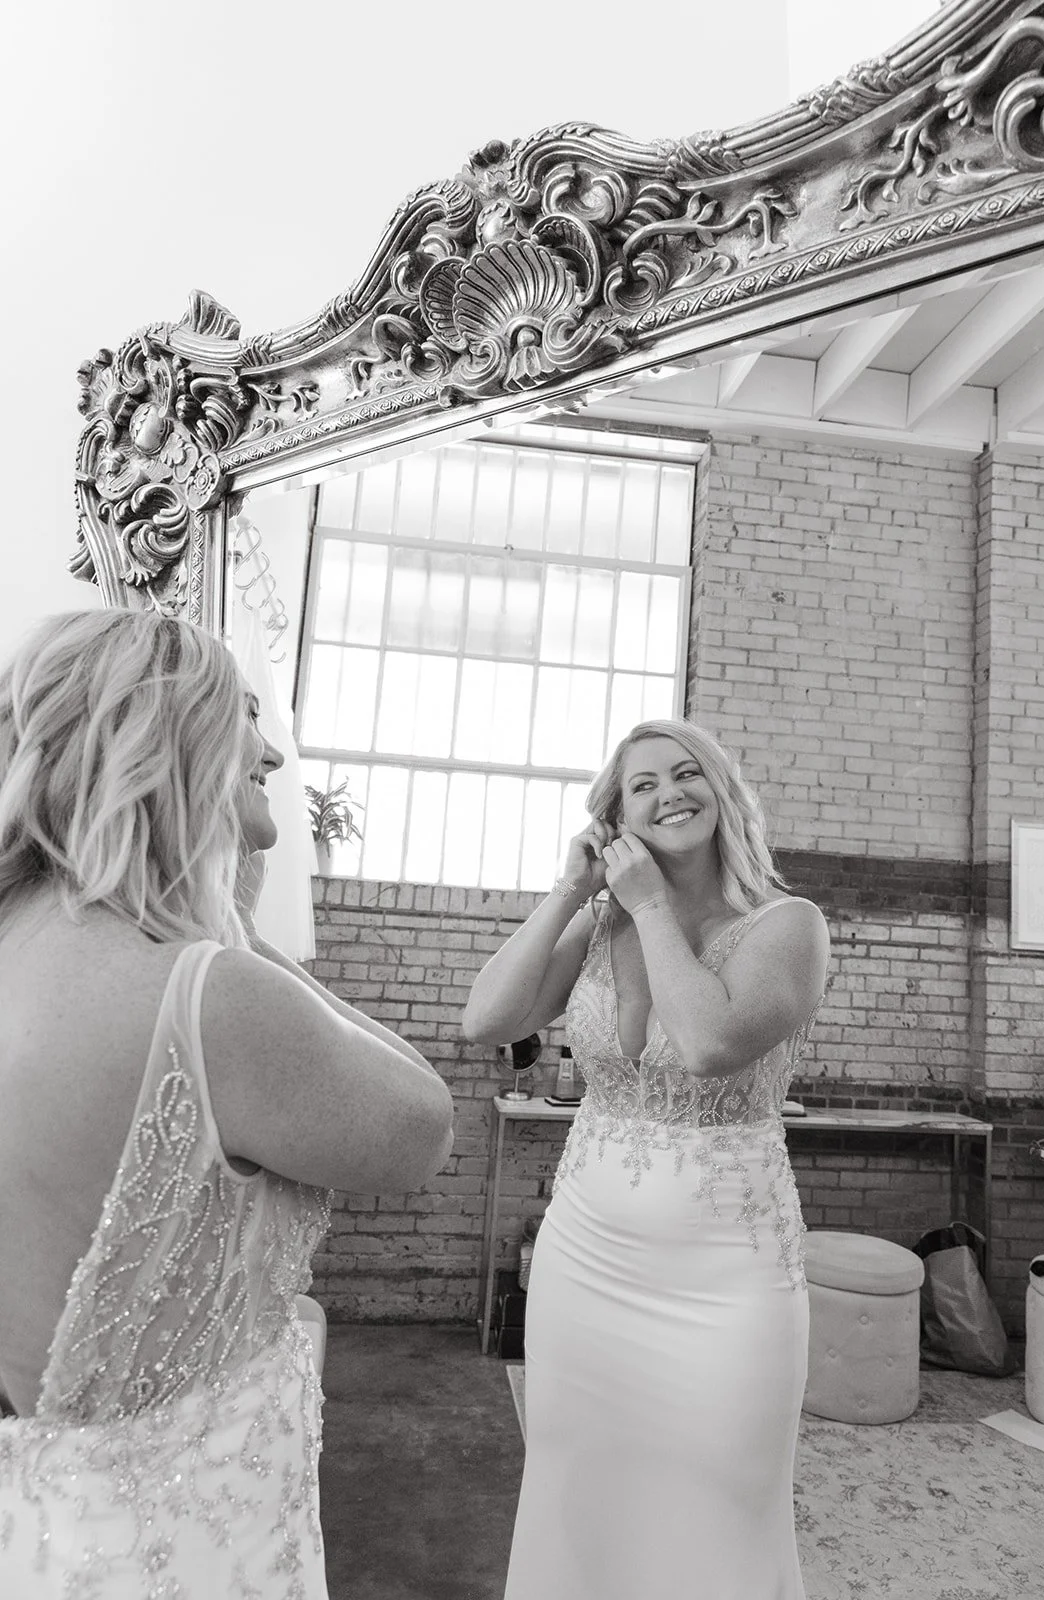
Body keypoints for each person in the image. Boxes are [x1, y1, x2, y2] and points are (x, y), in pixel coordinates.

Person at [0, 608, 454, 1598]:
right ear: (172, 738)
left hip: (56, 1524)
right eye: (248, 716)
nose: (277, 753)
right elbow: (422, 1126)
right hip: (196, 1540)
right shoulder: (206, 993)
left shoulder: (18, 942)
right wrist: (234, 927)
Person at [463, 718, 830, 1600]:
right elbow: (486, 1022)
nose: (669, 793)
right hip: (585, 1263)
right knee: (578, 1487)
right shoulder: (597, 927)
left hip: (727, 1281)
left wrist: (651, 907)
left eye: (686, 773)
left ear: (720, 791)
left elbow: (707, 1044)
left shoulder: (787, 926)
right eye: (642, 784)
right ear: (615, 814)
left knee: (720, 1500)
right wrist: (568, 891)